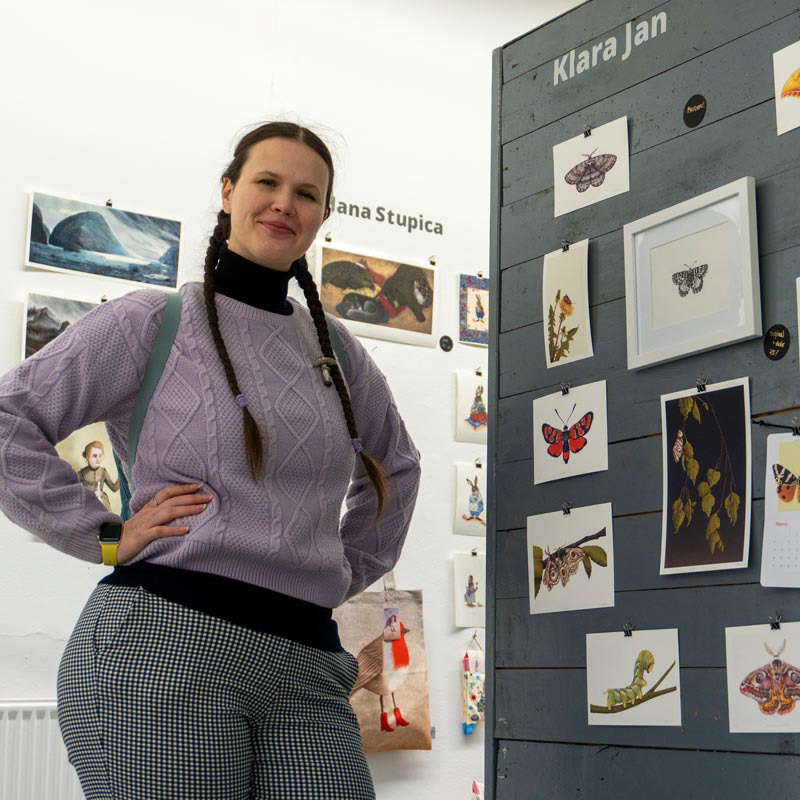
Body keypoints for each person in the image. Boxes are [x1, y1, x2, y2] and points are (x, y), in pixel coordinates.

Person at [0, 121, 422, 799]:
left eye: (306, 193)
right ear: (228, 192)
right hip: (162, 647)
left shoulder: (337, 351)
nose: (284, 203)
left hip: (309, 661)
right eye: (267, 182)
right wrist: (103, 535)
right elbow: (8, 419)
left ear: (323, 216)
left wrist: (343, 567)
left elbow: (396, 467)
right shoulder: (149, 321)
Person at [77, 440, 119, 512]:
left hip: (102, 500)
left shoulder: (103, 472)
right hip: (87, 502)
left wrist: (122, 474)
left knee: (107, 514)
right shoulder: (81, 474)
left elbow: (114, 488)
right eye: (94, 456)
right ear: (87, 457)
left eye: (100, 456)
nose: (98, 459)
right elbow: (74, 492)